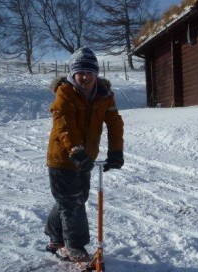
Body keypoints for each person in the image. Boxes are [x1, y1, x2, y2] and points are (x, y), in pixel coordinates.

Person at [44, 47, 124, 262]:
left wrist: (116, 150)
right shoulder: (65, 92)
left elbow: (114, 123)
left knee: (73, 200)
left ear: (96, 73)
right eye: (80, 72)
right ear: (73, 73)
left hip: (85, 158)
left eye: (90, 72)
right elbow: (63, 124)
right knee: (71, 202)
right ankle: (75, 246)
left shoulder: (104, 95)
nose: (85, 77)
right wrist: (75, 149)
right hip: (62, 157)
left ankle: (54, 235)